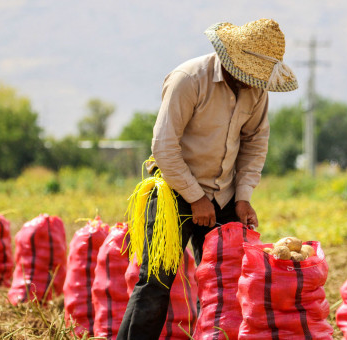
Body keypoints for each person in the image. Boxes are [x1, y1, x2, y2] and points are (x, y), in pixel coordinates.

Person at [117, 18, 297, 340]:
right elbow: (164, 146)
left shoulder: (255, 91)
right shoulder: (189, 80)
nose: (252, 82)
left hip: (224, 196)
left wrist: (243, 197)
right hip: (174, 191)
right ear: (230, 60)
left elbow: (255, 143)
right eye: (248, 73)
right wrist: (195, 197)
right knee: (155, 283)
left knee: (225, 286)